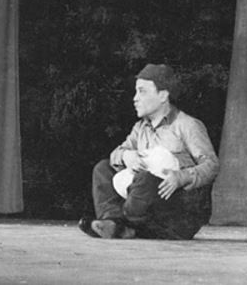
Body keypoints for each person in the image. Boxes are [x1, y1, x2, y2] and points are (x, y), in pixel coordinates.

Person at [79, 63, 220, 240]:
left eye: (142, 91)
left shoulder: (187, 125)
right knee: (103, 168)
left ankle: (125, 226)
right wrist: (126, 155)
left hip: (177, 214)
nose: (135, 99)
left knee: (146, 179)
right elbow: (117, 153)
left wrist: (182, 177)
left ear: (163, 95)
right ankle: (114, 223)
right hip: (145, 207)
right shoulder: (141, 127)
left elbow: (212, 165)